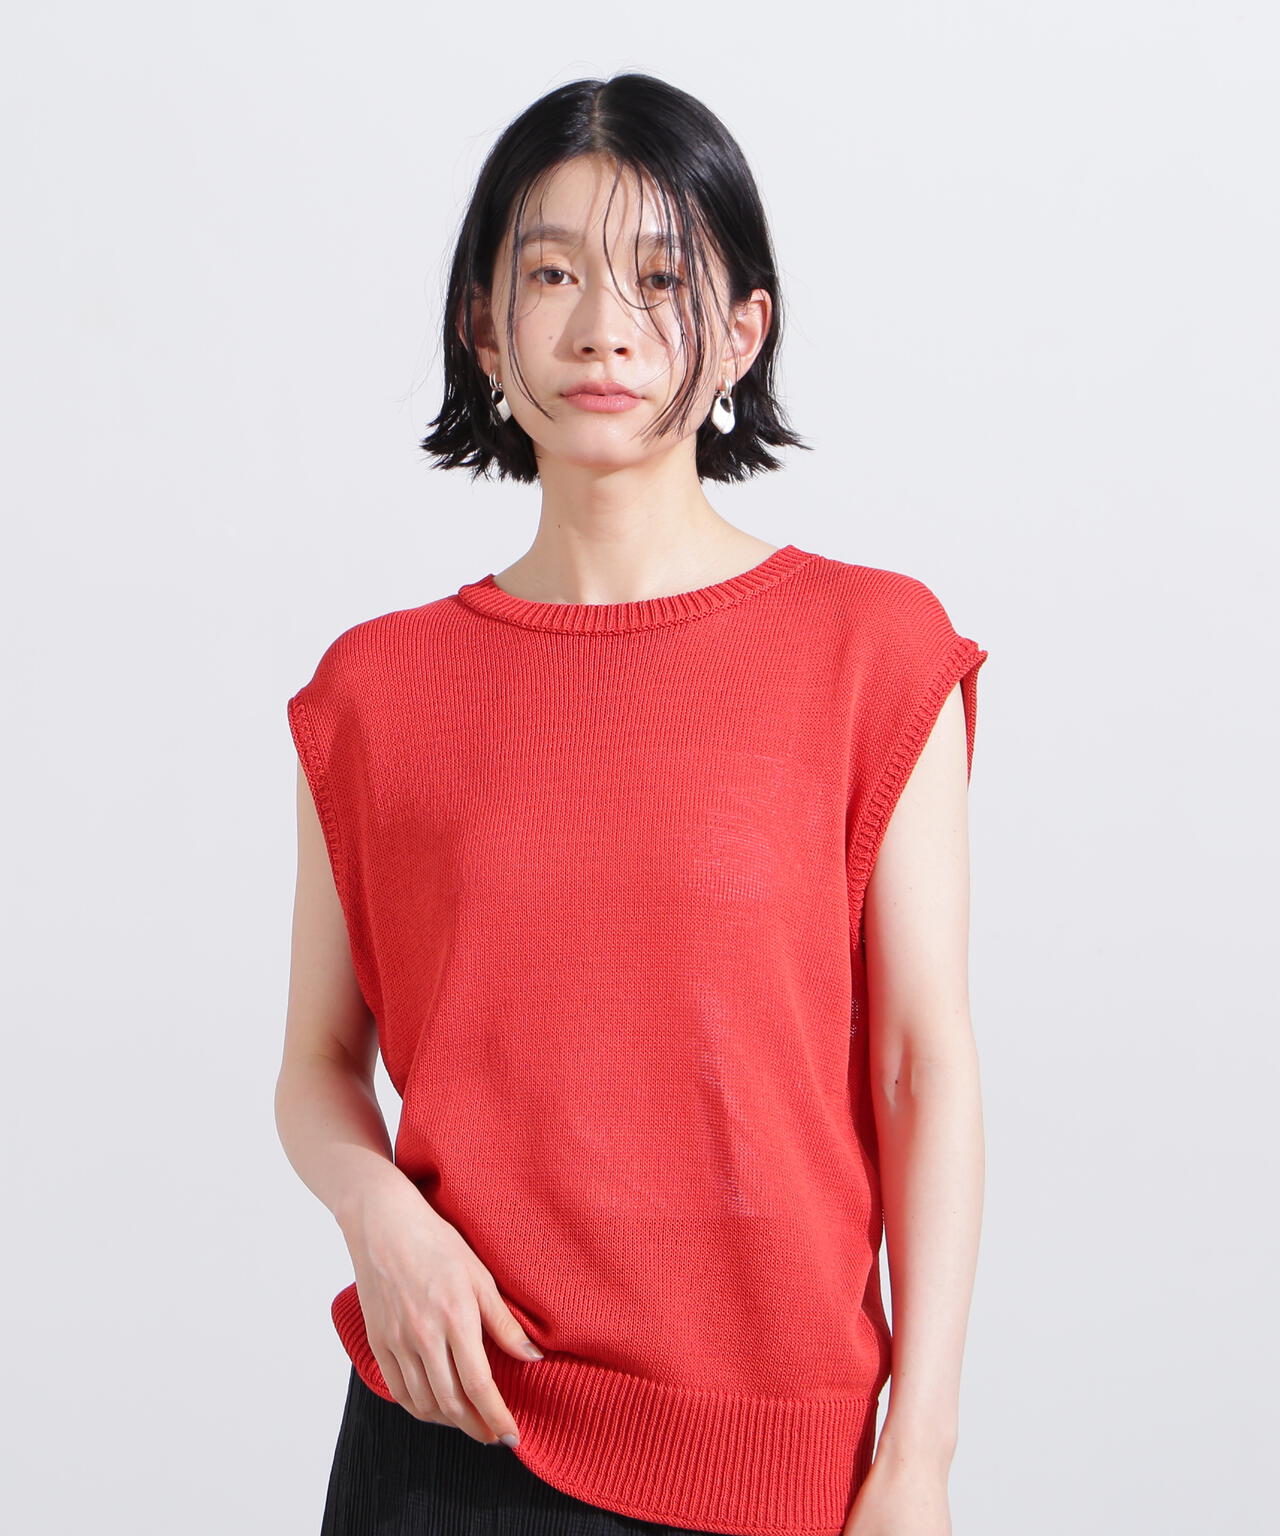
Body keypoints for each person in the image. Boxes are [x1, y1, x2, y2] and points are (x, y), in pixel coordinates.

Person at [276, 72, 988, 1536]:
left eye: (661, 279)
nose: (603, 324)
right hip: (446, 1434)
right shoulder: (375, 691)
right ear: (484, 327)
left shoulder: (871, 650)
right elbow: (316, 1068)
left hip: (775, 1458)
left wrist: (916, 1457)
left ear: (744, 332)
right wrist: (380, 1215)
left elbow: (924, 1068)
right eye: (551, 274)